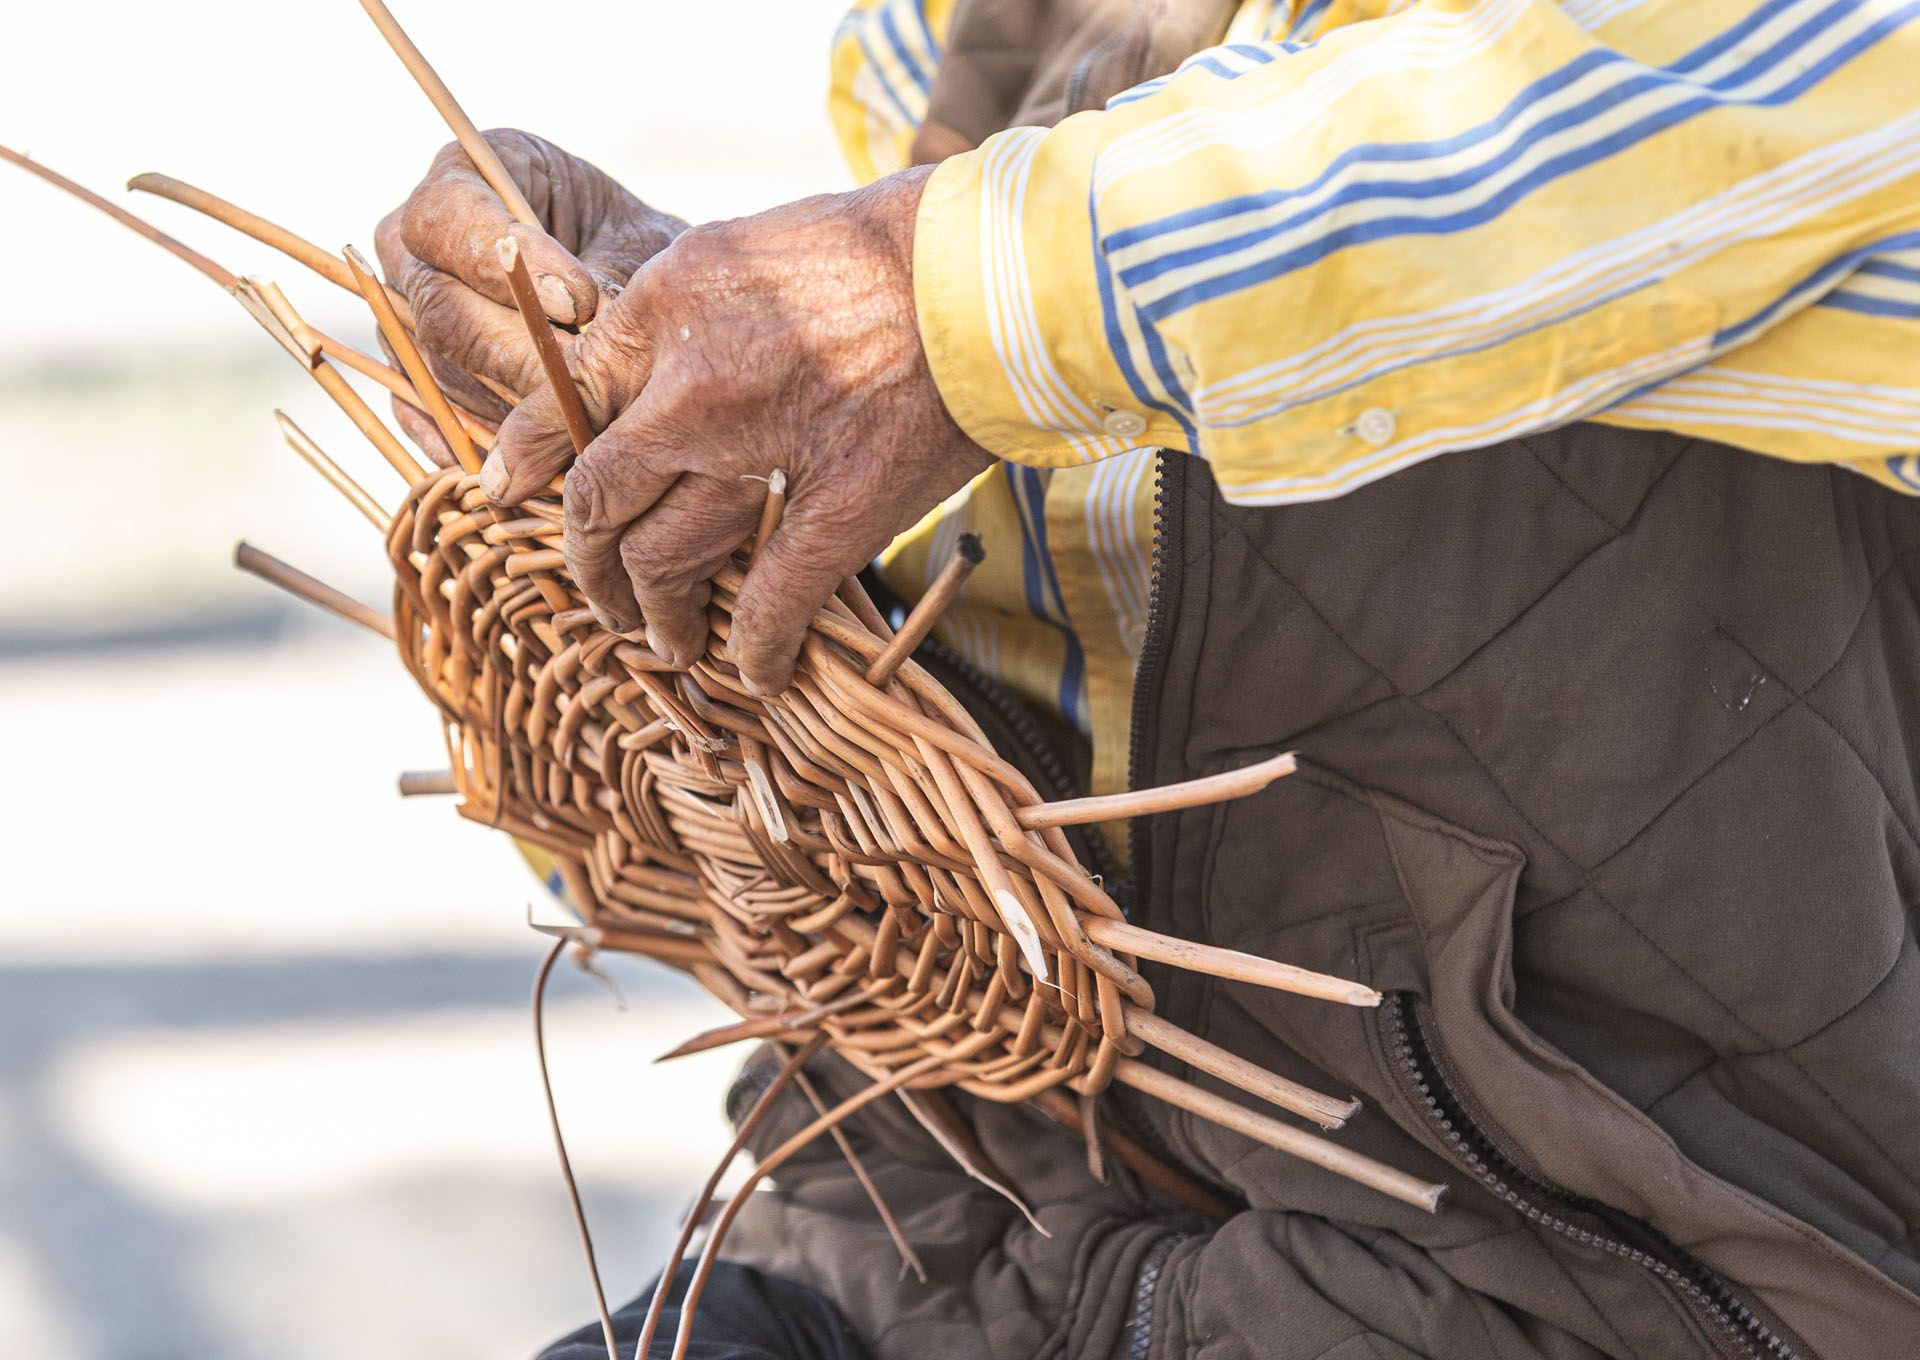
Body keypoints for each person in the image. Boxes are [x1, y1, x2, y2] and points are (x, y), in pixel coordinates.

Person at [380, 1, 1920, 1356]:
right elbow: (1011, 618)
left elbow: (1824, 93)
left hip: (1595, 1294)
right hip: (939, 1243)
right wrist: (653, 396)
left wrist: (964, 303)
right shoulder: (984, 31)